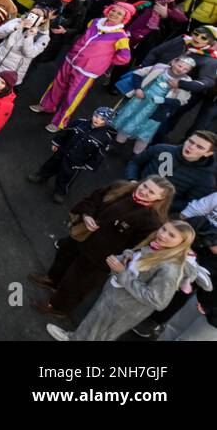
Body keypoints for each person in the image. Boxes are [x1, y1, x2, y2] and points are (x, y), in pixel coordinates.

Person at [29, 176, 176, 321]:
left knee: (77, 282)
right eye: (144, 186)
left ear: (160, 198)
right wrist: (87, 215)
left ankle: (58, 308)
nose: (144, 191)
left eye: (151, 192)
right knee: (64, 257)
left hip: (101, 256)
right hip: (83, 236)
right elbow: (93, 199)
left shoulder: (152, 221)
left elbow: (135, 247)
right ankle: (53, 279)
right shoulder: (120, 187)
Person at [46, 221, 207, 342]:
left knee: (100, 333)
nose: (163, 234)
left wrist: (123, 273)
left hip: (125, 307)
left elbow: (157, 300)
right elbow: (140, 259)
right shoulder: (159, 247)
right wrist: (128, 255)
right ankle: (76, 337)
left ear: (182, 243)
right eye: (164, 229)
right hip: (117, 297)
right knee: (94, 325)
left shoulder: (170, 269)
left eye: (171, 235)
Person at [35, 2, 134, 132]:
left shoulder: (121, 36)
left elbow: (124, 58)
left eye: (119, 13)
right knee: (57, 84)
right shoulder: (94, 22)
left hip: (87, 71)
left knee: (72, 96)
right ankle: (46, 105)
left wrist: (103, 61)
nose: (114, 14)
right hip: (71, 59)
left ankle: (59, 122)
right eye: (113, 10)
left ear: (124, 18)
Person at [28, 106, 119, 204]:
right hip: (62, 151)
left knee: (67, 176)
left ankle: (60, 192)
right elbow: (65, 132)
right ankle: (41, 176)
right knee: (50, 165)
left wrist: (88, 165)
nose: (97, 119)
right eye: (96, 116)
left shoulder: (105, 138)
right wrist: (56, 143)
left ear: (107, 122)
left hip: (77, 161)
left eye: (102, 119)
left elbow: (99, 155)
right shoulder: (80, 123)